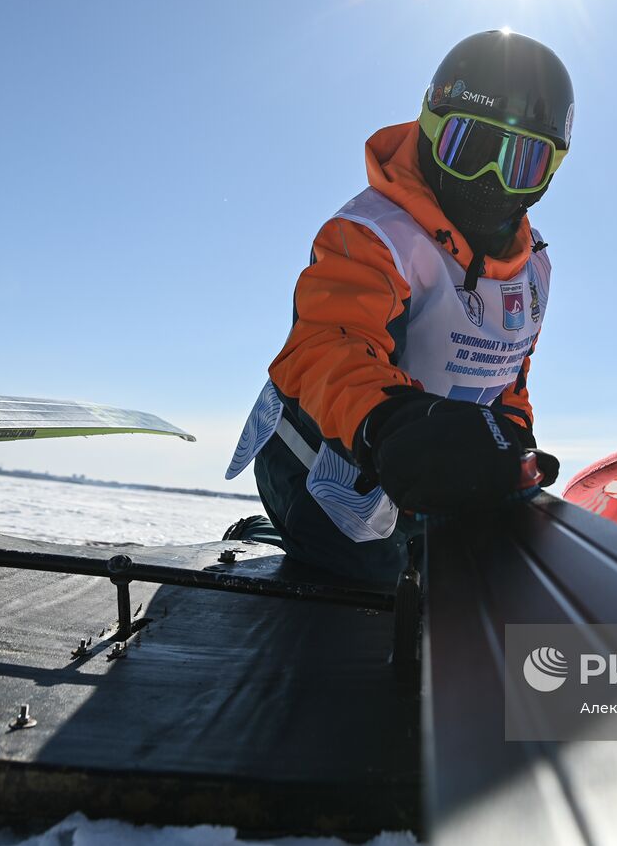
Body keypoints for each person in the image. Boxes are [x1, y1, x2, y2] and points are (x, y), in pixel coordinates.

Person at [224, 30, 571, 585]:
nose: (489, 180)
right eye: (470, 148)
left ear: (550, 172)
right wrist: (393, 423)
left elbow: (508, 376)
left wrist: (507, 448)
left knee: (460, 571)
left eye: (520, 163)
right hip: (321, 469)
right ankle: (272, 533)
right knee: (375, 593)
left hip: (421, 477)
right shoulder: (372, 234)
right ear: (430, 130)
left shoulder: (532, 275)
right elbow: (329, 342)